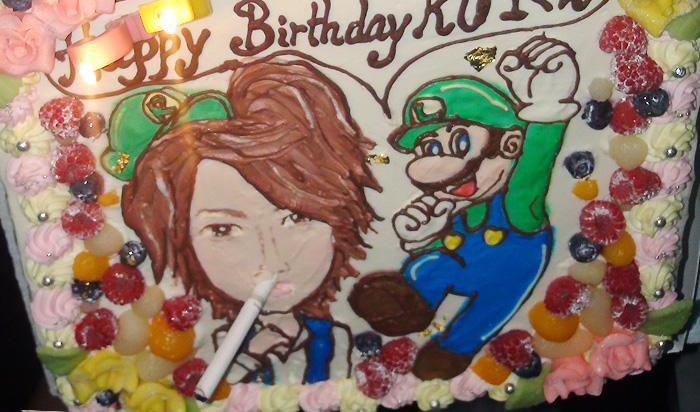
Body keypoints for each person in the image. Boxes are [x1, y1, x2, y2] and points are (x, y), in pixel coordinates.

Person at [106, 59, 380, 384]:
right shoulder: (205, 349)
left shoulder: (341, 345)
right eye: (222, 229)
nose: (273, 261)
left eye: (297, 216)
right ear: (180, 237)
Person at [349, 34, 581, 380]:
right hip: (459, 257)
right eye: (429, 149)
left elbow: (534, 166)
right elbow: (436, 241)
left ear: (510, 144)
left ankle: (455, 348)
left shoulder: (518, 205)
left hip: (509, 272)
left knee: (488, 311)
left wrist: (548, 106)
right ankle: (409, 303)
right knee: (429, 264)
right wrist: (420, 237)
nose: (438, 166)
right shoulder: (453, 204)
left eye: (458, 142)